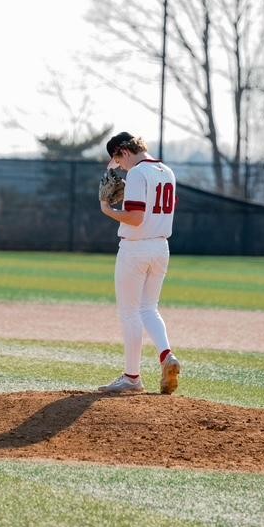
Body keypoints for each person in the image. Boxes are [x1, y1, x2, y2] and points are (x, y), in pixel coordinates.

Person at [98, 131, 180, 395]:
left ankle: (132, 378)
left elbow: (134, 217)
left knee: (129, 312)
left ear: (123, 151)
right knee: (149, 308)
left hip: (136, 248)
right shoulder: (166, 171)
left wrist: (108, 210)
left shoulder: (137, 174)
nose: (120, 168)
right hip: (161, 247)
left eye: (118, 161)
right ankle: (166, 355)